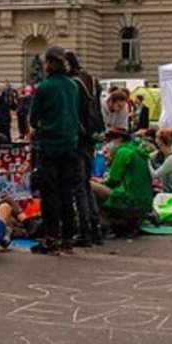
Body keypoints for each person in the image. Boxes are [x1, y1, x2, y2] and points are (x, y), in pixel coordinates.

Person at [28, 46, 79, 255]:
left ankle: (51, 238)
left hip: (49, 145)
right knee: (67, 191)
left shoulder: (44, 87)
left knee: (50, 193)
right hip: (70, 144)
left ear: (47, 63)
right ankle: (68, 237)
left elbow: (33, 118)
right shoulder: (72, 85)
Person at [65, 51, 105, 247]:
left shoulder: (73, 84)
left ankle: (85, 230)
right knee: (86, 183)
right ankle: (95, 227)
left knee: (79, 186)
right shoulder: (92, 80)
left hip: (78, 138)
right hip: (91, 137)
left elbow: (72, 114)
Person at [93, 130, 154, 237]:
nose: (108, 144)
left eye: (110, 140)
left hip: (129, 198)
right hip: (145, 201)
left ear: (119, 139)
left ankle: (104, 224)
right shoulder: (137, 151)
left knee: (90, 186)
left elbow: (113, 180)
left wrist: (99, 181)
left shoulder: (123, 152)